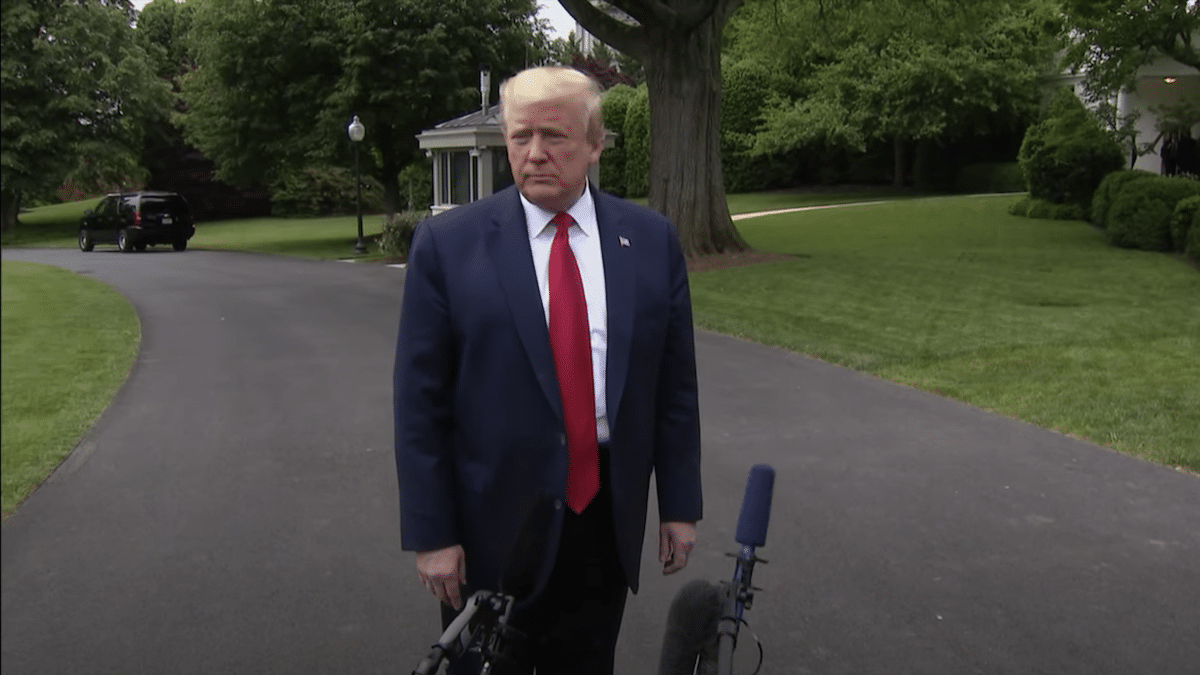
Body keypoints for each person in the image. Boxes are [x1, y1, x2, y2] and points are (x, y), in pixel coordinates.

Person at [393, 66, 703, 674]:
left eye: (554, 136)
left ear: (594, 144)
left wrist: (679, 504)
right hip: (490, 523)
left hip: (602, 516)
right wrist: (432, 535)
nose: (534, 154)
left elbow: (674, 386)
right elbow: (419, 404)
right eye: (520, 137)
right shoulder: (448, 246)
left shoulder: (650, 240)